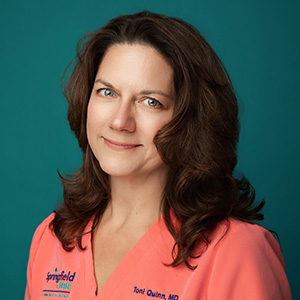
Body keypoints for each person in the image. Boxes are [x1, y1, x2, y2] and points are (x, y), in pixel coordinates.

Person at [25, 11, 292, 300]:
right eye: (107, 92)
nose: (119, 121)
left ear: (190, 120)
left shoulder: (236, 251)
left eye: (150, 101)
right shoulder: (52, 237)